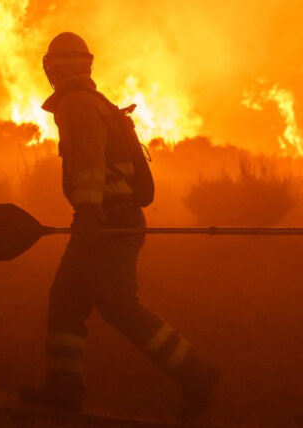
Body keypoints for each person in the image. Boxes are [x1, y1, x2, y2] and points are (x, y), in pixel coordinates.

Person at [20, 32, 219, 420]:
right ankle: (63, 390)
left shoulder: (77, 104)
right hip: (109, 220)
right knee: (67, 301)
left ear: (56, 68)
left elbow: (89, 165)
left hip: (105, 223)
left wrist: (88, 218)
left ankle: (196, 374)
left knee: (119, 306)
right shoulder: (95, 103)